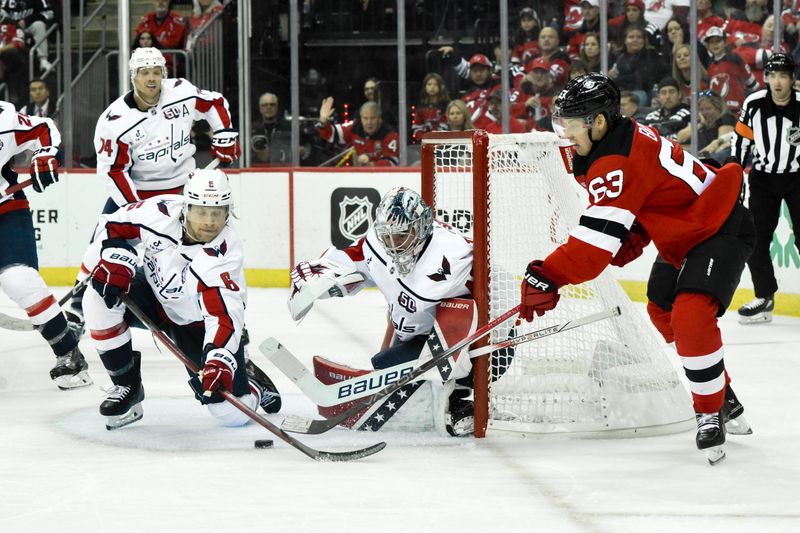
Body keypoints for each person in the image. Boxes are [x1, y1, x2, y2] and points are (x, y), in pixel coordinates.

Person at [522, 73, 754, 464]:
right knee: (661, 310)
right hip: (685, 229)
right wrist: (635, 233)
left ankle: (709, 411)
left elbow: (591, 251)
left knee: (691, 314)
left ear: (598, 122)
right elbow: (656, 192)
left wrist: (547, 274)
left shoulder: (616, 159)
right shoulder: (617, 139)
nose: (566, 134)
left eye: (572, 125)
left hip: (719, 223)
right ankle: (721, 392)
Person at [81, 168, 280, 430]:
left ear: (227, 213)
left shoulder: (222, 256)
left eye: (217, 213)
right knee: (96, 299)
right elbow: (111, 225)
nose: (209, 221)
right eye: (201, 211)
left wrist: (218, 359)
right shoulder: (159, 212)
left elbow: (223, 316)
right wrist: (116, 256)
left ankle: (251, 379)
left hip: (195, 323)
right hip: (152, 295)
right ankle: (127, 386)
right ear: (186, 207)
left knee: (231, 415)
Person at [65, 47, 239, 332]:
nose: (151, 79)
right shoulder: (115, 121)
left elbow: (214, 103)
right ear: (134, 76)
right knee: (100, 245)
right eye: (144, 73)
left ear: (164, 75)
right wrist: (136, 210)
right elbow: (113, 171)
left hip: (185, 189)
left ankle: (224, 312)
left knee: (208, 246)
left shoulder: (181, 92)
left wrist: (224, 134)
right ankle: (77, 308)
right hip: (138, 190)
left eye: (157, 72)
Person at [287, 187, 475, 435]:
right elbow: (355, 261)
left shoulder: (455, 254)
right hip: (419, 331)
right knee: (383, 364)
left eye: (400, 237)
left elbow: (486, 296)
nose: (393, 246)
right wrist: (322, 275)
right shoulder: (380, 242)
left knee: (388, 366)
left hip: (466, 339)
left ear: (420, 228)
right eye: (388, 237)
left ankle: (463, 399)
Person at [0, 99, 92, 390]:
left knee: (20, 280)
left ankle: (69, 355)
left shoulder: (4, 118)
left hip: (5, 213)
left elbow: (44, 128)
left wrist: (45, 155)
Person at [731, 53, 800, 324]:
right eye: (773, 75)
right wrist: (735, 175)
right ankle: (764, 296)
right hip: (763, 179)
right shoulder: (754, 104)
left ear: (792, 79)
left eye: (784, 75)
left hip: (797, 177)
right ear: (766, 78)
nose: (778, 81)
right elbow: (741, 143)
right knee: (756, 240)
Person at [316, 98, 399, 166]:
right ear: (361, 118)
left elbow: (393, 162)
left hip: (383, 178)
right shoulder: (354, 126)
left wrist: (371, 165)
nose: (369, 122)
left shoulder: (390, 134)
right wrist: (323, 122)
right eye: (365, 118)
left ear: (380, 119)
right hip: (359, 176)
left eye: (373, 118)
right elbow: (332, 134)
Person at [252, 92, 310, 165]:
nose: (268, 107)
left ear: (277, 108)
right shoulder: (252, 129)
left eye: (272, 104)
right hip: (256, 171)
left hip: (284, 170)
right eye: (265, 105)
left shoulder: (289, 128)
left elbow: (304, 149)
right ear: (260, 109)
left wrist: (300, 151)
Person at [676, 91, 735, 160]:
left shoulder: (726, 119)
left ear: (718, 108)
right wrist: (700, 124)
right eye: (701, 109)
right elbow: (680, 138)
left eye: (708, 109)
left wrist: (697, 157)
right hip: (702, 160)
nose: (704, 113)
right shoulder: (701, 123)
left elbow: (720, 149)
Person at [0, 0, 55, 73]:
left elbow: (49, 13)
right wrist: (12, 23)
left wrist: (27, 21)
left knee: (39, 25)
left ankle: (43, 60)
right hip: (9, 26)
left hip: (28, 26)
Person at [412, 73, 449, 142]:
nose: (432, 87)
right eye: (429, 84)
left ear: (441, 87)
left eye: (435, 84)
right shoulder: (421, 106)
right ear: (425, 86)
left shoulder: (446, 105)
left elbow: (447, 125)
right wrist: (423, 139)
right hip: (424, 143)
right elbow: (417, 127)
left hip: (443, 141)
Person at [0, 19, 25, 105]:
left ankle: (13, 93)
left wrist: (1, 49)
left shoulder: (11, 23)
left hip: (9, 58)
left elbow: (19, 43)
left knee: (13, 54)